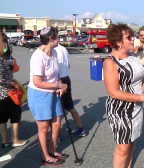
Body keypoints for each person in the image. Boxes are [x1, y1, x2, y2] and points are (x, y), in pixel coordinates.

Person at [103, 24, 144, 168]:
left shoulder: (131, 55)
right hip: (120, 109)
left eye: (133, 36)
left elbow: (140, 77)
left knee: (132, 142)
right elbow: (113, 92)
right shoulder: (110, 62)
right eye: (129, 37)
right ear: (118, 42)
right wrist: (141, 97)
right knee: (123, 148)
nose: (133, 39)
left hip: (136, 107)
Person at [27, 27, 68, 165]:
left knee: (56, 124)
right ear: (51, 38)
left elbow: (56, 73)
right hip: (39, 94)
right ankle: (45, 156)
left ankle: (52, 150)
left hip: (53, 92)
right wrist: (58, 85)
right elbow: (37, 82)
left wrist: (60, 84)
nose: (59, 39)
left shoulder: (54, 52)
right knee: (44, 127)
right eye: (57, 36)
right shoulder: (38, 56)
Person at [0, 33, 27, 149]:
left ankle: (5, 139)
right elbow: (1, 78)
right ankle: (15, 139)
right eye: (3, 41)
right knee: (15, 115)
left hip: (1, 94)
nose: (5, 44)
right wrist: (14, 84)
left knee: (2, 117)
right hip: (8, 93)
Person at [54, 44, 86, 137]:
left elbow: (56, 69)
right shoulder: (63, 49)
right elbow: (68, 66)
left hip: (58, 80)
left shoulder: (53, 50)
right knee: (70, 106)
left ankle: (57, 135)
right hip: (66, 79)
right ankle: (80, 128)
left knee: (57, 108)